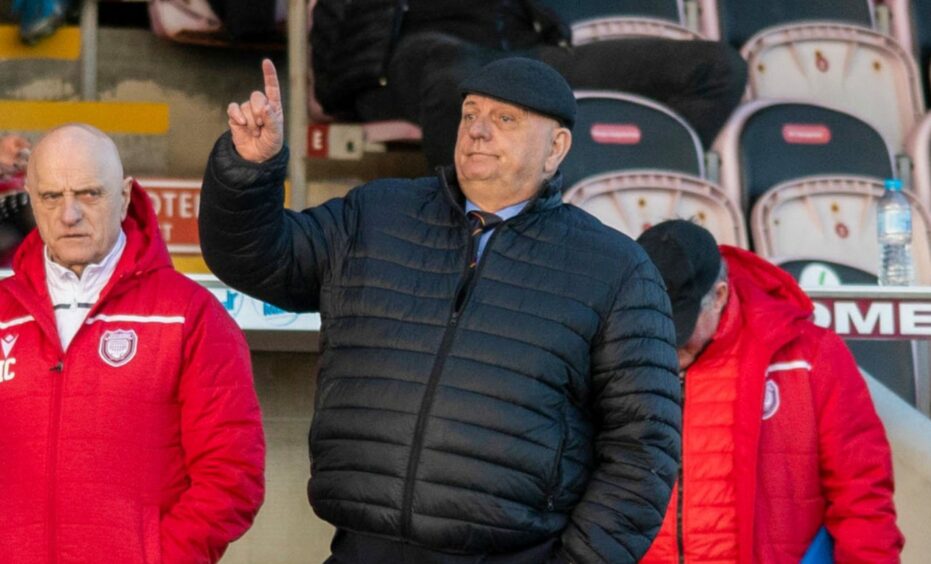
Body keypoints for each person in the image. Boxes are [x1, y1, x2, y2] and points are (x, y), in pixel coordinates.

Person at [200, 57, 681, 563]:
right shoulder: (376, 215)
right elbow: (256, 257)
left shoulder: (615, 268)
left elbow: (642, 449)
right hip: (361, 549)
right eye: (470, 113)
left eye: (505, 119)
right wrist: (249, 169)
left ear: (556, 148)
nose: (478, 130)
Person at [0, 124, 266, 562]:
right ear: (31, 199)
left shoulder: (189, 315)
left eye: (89, 194)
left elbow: (232, 474)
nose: (69, 215)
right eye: (51, 197)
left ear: (124, 197)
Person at [635, 220, 904, 563]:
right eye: (649, 327)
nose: (665, 348)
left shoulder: (809, 357)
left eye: (679, 330)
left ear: (718, 296)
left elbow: (862, 495)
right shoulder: (612, 351)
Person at [311, 0, 747, 168]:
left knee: (718, 68)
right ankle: (476, 243)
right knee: (462, 78)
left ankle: (620, 172)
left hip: (524, 55)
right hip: (413, 57)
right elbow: (330, 77)